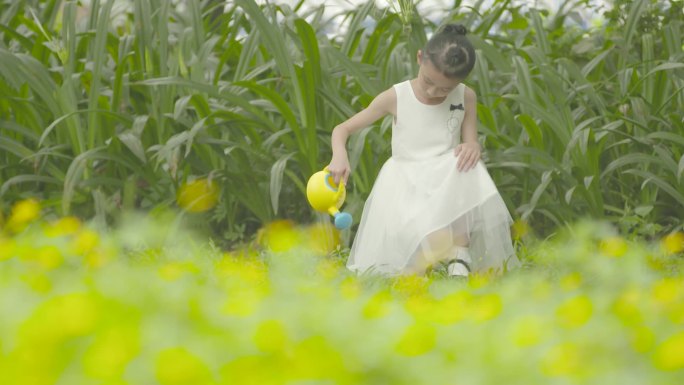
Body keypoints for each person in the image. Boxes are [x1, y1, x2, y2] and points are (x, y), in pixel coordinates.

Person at [328, 23, 519, 277]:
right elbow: (342, 129)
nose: (432, 92)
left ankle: (459, 261)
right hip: (405, 179)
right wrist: (339, 155)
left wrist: (472, 146)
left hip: (445, 177)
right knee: (410, 267)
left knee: (466, 164)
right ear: (419, 58)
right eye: (428, 81)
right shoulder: (396, 96)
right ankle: (426, 263)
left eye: (444, 89)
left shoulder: (466, 96)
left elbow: (470, 140)